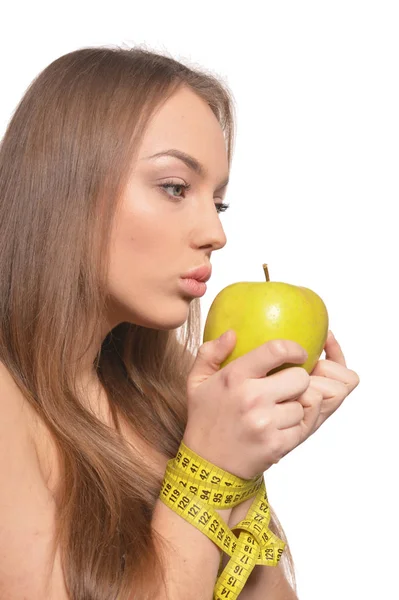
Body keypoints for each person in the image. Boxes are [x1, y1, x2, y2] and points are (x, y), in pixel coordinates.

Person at [0, 45, 360, 600]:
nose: (215, 235)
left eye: (217, 203)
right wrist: (208, 469)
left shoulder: (158, 393)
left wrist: (241, 464)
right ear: (64, 188)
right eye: (175, 188)